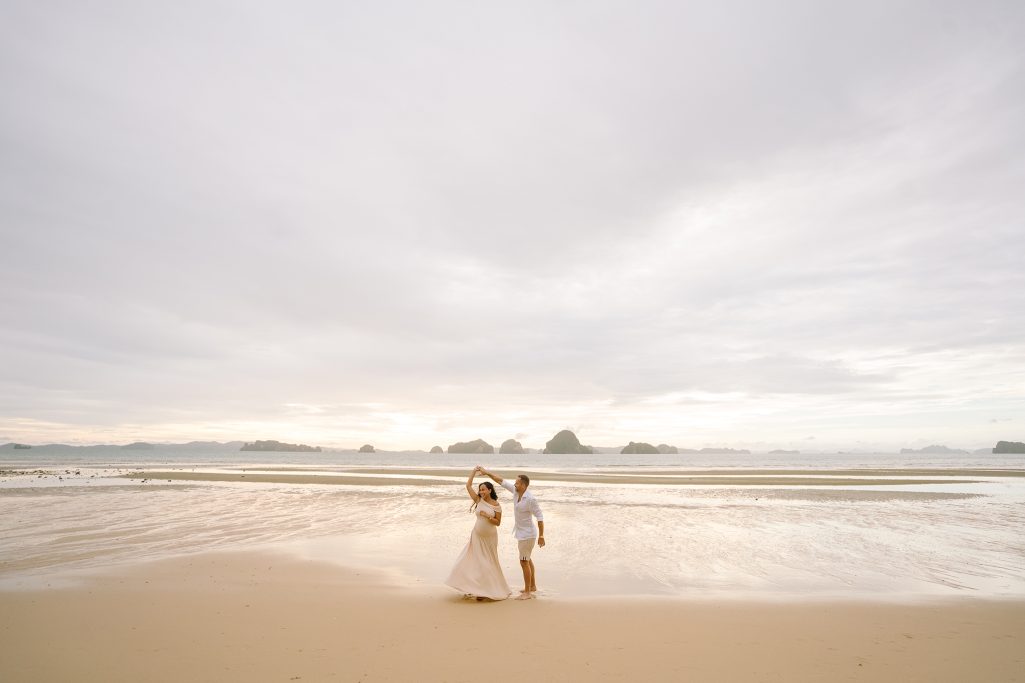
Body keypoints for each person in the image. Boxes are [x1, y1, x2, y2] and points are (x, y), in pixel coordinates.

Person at [445, 467, 511, 601]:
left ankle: (486, 589)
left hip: (490, 538)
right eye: (480, 490)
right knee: (474, 561)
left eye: (483, 489)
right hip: (476, 536)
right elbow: (468, 485)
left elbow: (498, 523)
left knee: (489, 563)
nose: (481, 492)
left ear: (490, 490)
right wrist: (473, 473)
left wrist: (488, 516)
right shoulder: (478, 500)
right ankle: (474, 588)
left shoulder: (496, 505)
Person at [478, 466, 544, 599]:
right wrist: (486, 473)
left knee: (523, 561)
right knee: (527, 558)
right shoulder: (515, 492)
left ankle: (527, 593)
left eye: (517, 482)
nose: (515, 484)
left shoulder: (530, 499)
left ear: (523, 485)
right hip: (521, 532)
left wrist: (542, 536)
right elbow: (501, 481)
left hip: (528, 534)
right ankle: (532, 586)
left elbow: (540, 516)